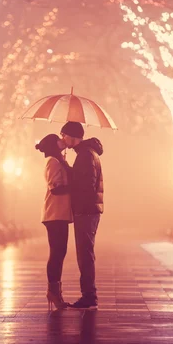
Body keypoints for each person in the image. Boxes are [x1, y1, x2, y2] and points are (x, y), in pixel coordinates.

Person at [60, 122, 103, 310]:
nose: (63, 139)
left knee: (84, 254)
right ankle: (88, 294)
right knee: (85, 253)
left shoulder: (85, 155)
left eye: (64, 136)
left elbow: (85, 184)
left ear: (72, 137)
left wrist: (64, 188)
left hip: (86, 210)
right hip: (89, 210)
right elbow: (82, 179)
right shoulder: (87, 153)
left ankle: (89, 296)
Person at [35, 133, 73, 310]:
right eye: (58, 139)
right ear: (53, 144)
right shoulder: (52, 161)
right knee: (56, 254)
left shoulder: (59, 161)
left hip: (60, 214)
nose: (62, 141)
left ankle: (56, 292)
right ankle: (53, 292)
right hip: (54, 213)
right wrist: (75, 186)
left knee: (60, 253)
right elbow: (56, 189)